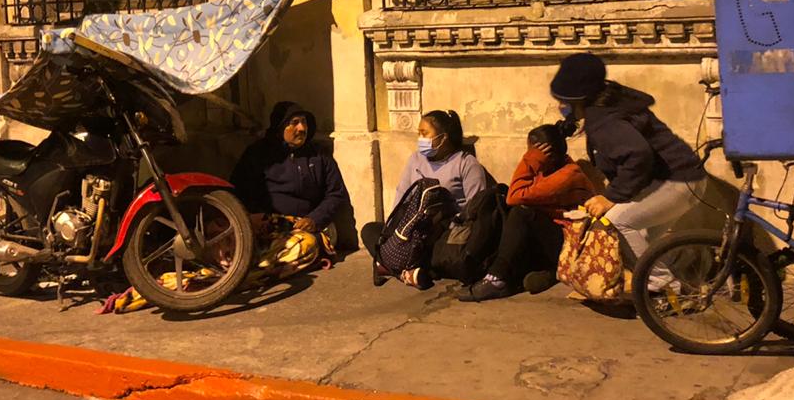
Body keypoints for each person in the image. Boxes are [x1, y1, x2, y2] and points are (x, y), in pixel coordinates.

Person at [545, 52, 704, 287]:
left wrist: (611, 197)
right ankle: (688, 274)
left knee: (616, 223)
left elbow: (638, 155)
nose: (560, 106)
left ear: (579, 99)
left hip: (677, 182)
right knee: (645, 241)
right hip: (683, 179)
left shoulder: (604, 121)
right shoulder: (610, 104)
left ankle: (667, 288)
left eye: (563, 101)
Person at [457, 124, 595, 301]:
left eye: (532, 152)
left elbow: (515, 196)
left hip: (566, 244)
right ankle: (517, 274)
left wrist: (530, 161)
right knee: (501, 207)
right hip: (545, 236)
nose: (529, 156)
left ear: (546, 154)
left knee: (521, 212)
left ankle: (497, 278)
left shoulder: (567, 175)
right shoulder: (546, 169)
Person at [363, 109, 491, 288]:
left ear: (443, 137)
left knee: (443, 253)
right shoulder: (416, 159)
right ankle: (407, 273)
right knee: (370, 231)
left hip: (442, 233)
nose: (420, 139)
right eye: (419, 133)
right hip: (410, 230)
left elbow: (475, 207)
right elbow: (402, 195)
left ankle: (389, 265)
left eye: (424, 133)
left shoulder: (466, 163)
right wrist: (394, 230)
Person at [230, 101, 351, 280]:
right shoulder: (257, 154)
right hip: (268, 225)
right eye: (294, 123)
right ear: (280, 128)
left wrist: (314, 219)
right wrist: (256, 219)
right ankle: (247, 267)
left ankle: (254, 274)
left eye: (304, 122)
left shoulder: (319, 155)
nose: (302, 128)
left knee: (305, 245)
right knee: (233, 243)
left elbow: (336, 193)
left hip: (308, 228)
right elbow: (239, 191)